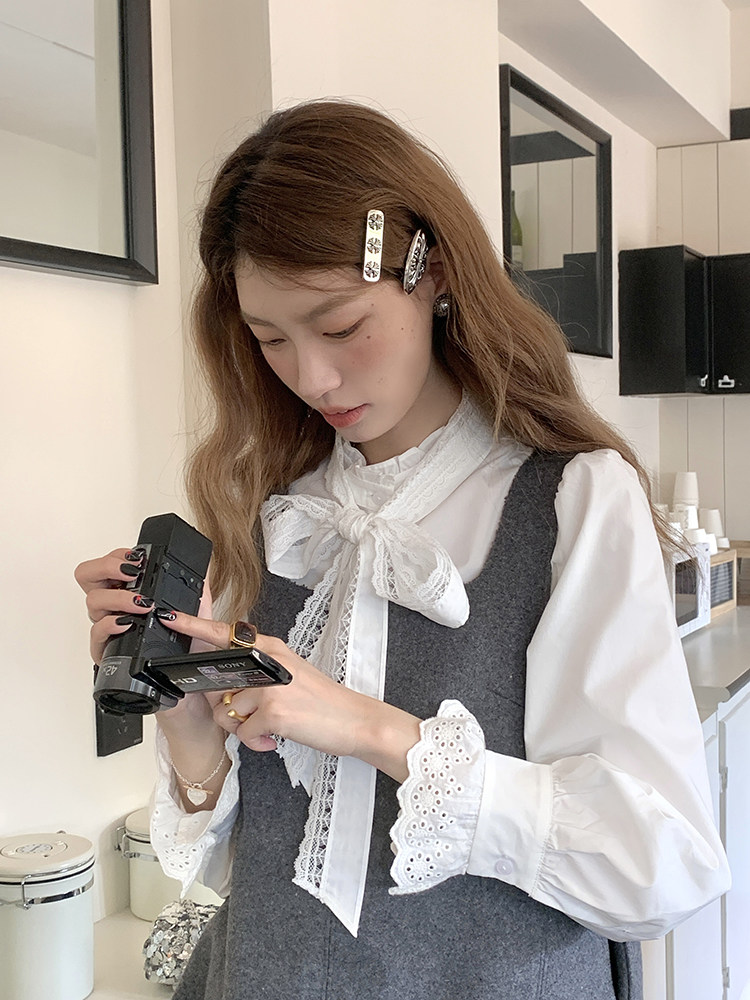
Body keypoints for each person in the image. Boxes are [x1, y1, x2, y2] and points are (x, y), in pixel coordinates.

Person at [76, 100, 730, 1000]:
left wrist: (368, 727)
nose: (312, 377)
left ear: (434, 273)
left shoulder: (572, 499)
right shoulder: (272, 513)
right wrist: (187, 723)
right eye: (271, 340)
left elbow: (663, 868)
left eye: (341, 326)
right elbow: (246, 865)